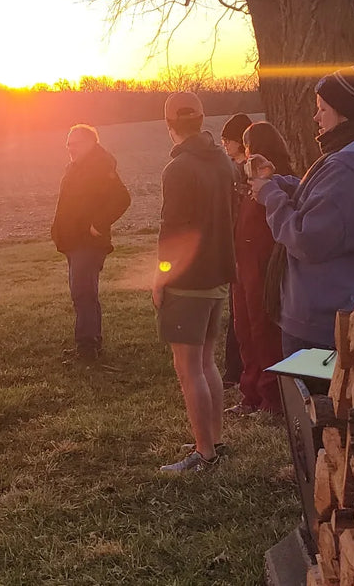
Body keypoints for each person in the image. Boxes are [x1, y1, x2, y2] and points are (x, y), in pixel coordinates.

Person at [250, 65, 354, 356]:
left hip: (320, 322)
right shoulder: (351, 160)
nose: (316, 118)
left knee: (313, 400)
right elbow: (322, 202)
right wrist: (279, 183)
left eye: (322, 109)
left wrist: (271, 196)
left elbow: (307, 240)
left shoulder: (344, 169)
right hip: (333, 310)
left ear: (344, 112)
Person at [153, 92, 237, 473]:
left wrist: (160, 277)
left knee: (188, 367)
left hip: (188, 281)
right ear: (202, 119)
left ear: (169, 124)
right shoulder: (222, 161)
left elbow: (172, 232)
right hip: (220, 274)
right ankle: (215, 441)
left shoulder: (178, 169)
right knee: (206, 361)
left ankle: (204, 454)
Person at [51, 124, 131, 366]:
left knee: (84, 293)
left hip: (88, 243)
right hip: (74, 241)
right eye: (68, 144)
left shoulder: (100, 166)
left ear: (90, 143)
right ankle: (90, 342)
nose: (70, 148)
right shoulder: (76, 167)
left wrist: (98, 224)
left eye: (74, 144)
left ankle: (87, 349)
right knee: (83, 293)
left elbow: (122, 198)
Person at [226, 121, 292, 416]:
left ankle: (272, 398)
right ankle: (250, 393)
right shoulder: (249, 182)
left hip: (265, 266)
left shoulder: (279, 181)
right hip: (244, 265)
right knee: (244, 331)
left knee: (264, 331)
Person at [220, 112, 253, 389]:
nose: (225, 146)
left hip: (244, 249)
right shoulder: (237, 170)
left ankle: (235, 371)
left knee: (239, 313)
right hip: (237, 247)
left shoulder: (246, 172)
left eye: (228, 140)